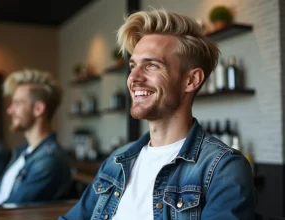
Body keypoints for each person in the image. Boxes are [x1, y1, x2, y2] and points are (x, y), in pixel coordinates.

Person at [59, 8, 255, 220]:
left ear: (191, 80)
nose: (133, 78)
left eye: (151, 65)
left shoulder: (223, 168)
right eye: (133, 66)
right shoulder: (116, 161)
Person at [0, 68, 72, 206]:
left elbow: (11, 210)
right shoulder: (23, 152)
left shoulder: (49, 161)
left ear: (38, 109)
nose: (9, 110)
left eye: (17, 103)